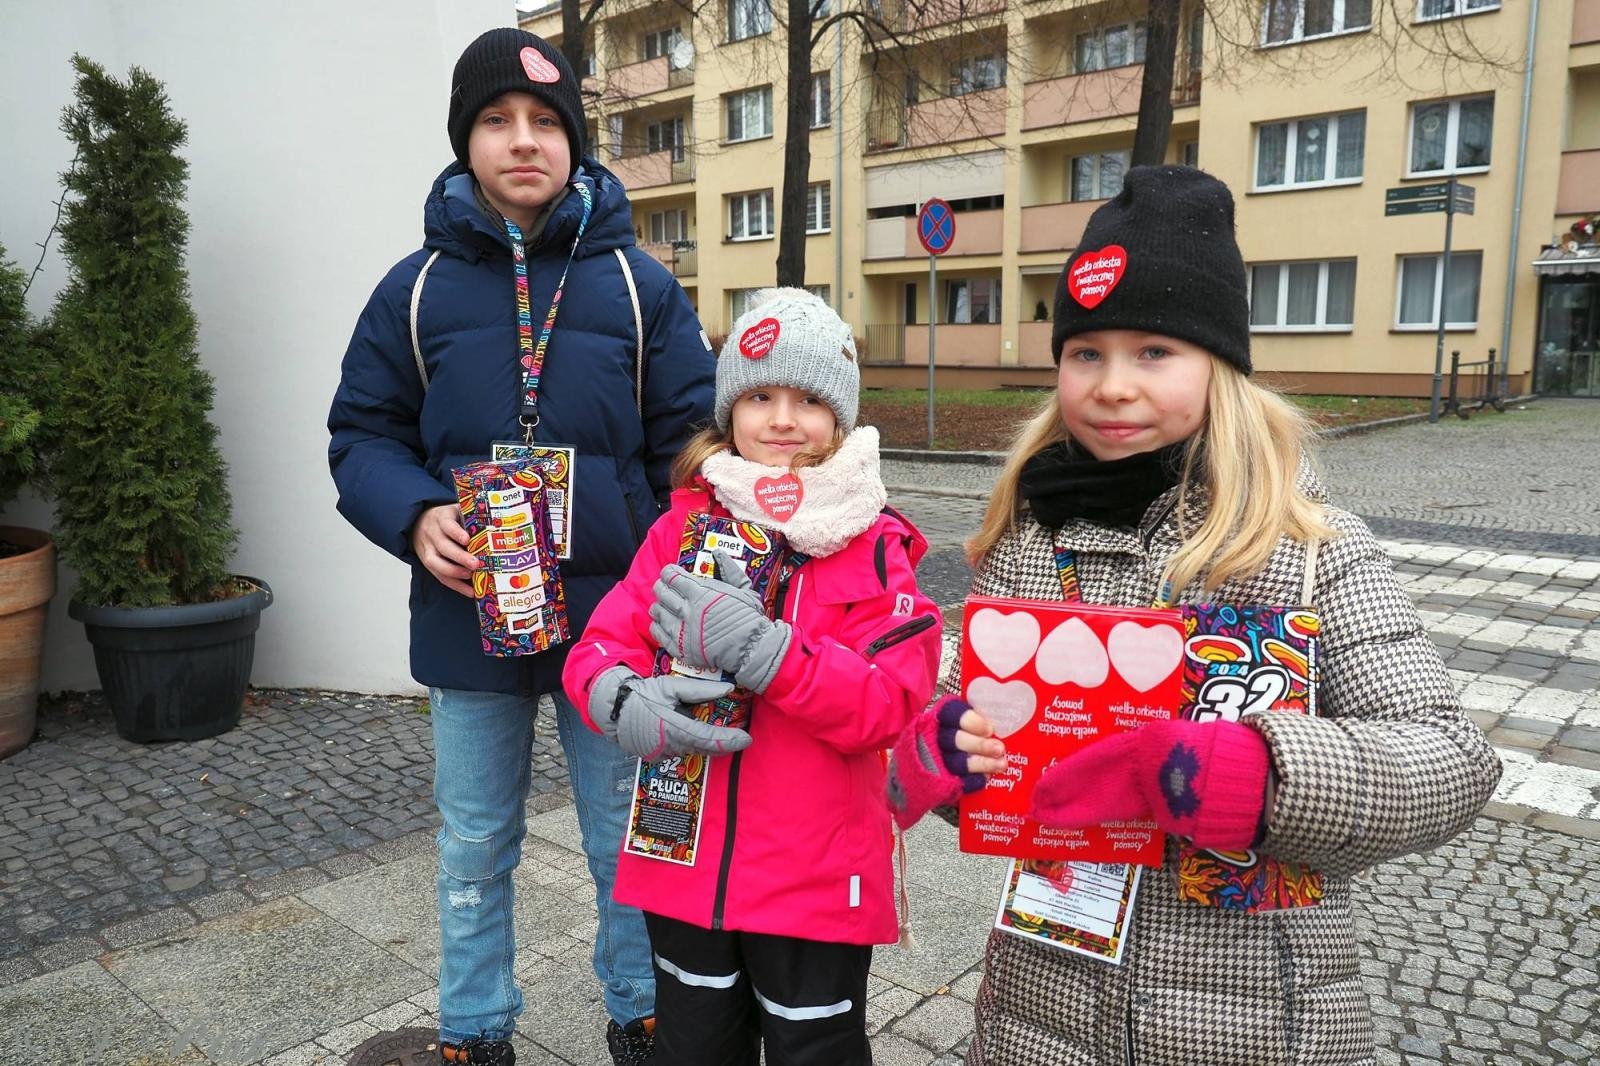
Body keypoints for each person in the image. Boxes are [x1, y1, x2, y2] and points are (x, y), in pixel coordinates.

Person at [884, 165, 1502, 1065]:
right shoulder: (1025, 540)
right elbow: (995, 767)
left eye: (1154, 352)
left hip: (1258, 1017)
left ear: (1223, 364)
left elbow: (1452, 758)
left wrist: (1260, 775)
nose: (1113, 385)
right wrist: (944, 759)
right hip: (1043, 1006)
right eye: (1085, 352)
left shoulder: (1307, 545)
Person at [327, 28, 714, 1066]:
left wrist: (695, 560)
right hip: (467, 617)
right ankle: (473, 1029)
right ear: (465, 141)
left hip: (614, 626)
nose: (523, 140)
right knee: (472, 844)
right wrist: (414, 515)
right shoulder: (412, 290)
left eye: (546, 121)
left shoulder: (638, 284)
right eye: (497, 121)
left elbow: (691, 442)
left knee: (620, 838)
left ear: (576, 140)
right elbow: (362, 434)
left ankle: (642, 1011)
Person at [562, 288, 944, 1066]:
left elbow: (889, 705)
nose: (781, 418)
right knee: (694, 1047)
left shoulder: (876, 547)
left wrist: (773, 656)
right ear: (728, 409)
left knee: (816, 1050)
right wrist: (621, 696)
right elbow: (600, 643)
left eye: (808, 399)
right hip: (684, 865)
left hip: (814, 883)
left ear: (840, 418)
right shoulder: (681, 529)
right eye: (759, 395)